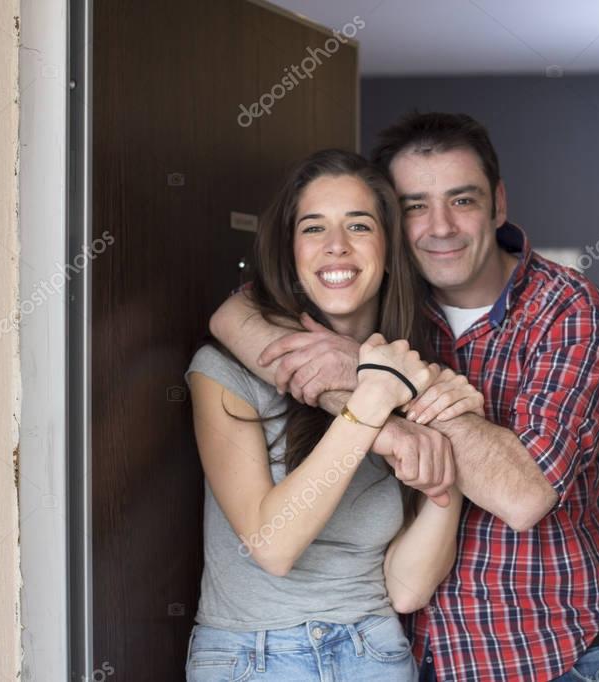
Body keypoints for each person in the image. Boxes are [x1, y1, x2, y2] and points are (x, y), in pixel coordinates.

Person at [210, 113, 599, 681]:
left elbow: (523, 495)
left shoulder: (569, 310)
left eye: (462, 200)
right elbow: (235, 313)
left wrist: (374, 375)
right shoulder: (383, 303)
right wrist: (385, 414)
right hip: (420, 652)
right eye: (415, 206)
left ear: (498, 204)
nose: (440, 227)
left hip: (552, 651)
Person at [185, 149, 485, 681]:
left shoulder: (411, 379)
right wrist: (370, 406)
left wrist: (445, 471)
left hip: (376, 652)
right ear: (292, 251)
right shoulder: (225, 370)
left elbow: (408, 588)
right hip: (252, 657)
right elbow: (272, 545)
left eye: (359, 225)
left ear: (390, 250)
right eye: (313, 227)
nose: (336, 246)